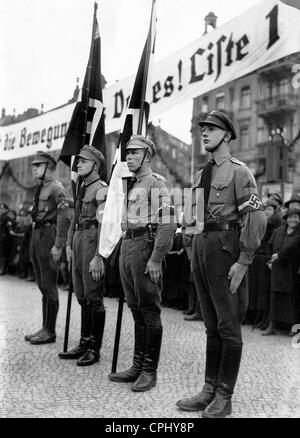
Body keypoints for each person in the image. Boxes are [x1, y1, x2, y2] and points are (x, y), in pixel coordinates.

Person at [176, 111, 267, 418]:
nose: (204, 133)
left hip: (225, 249)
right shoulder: (202, 174)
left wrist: (244, 260)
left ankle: (224, 396)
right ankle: (208, 389)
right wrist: (192, 253)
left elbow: (255, 217)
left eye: (211, 129)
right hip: (202, 249)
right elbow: (192, 218)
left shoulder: (240, 172)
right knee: (212, 325)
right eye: (202, 129)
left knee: (228, 326)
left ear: (227, 135)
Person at [108, 135, 176, 392]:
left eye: (135, 152)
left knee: (149, 309)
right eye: (128, 153)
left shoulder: (156, 183)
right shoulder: (133, 183)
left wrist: (157, 258)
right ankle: (137, 366)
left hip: (145, 248)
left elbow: (168, 222)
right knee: (136, 308)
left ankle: (149, 370)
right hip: (129, 245)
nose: (129, 156)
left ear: (147, 156)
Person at [58, 146, 107, 366]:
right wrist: (68, 244)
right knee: (81, 294)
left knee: (93, 295)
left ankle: (94, 349)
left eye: (83, 161)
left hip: (91, 241)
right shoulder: (81, 187)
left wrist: (99, 256)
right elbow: (74, 218)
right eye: (78, 161)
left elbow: (105, 226)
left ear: (95, 165)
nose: (78, 164)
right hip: (78, 239)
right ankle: (84, 342)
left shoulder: (101, 189)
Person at [25, 151, 70, 345]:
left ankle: (50, 331)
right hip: (37, 235)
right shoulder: (41, 188)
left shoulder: (56, 189)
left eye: (38, 165)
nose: (34, 168)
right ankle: (45, 327)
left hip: (48, 236)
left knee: (49, 285)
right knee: (42, 284)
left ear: (48, 167)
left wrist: (58, 244)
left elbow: (64, 216)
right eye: (34, 165)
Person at [262, 208, 300, 336]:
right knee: (274, 297)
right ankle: (271, 326)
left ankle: (293, 328)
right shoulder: (277, 231)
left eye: (296, 217)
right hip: (277, 269)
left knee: (291, 299)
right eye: (290, 217)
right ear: (286, 218)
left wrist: (277, 256)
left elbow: (292, 246)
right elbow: (268, 246)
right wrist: (269, 260)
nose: (293, 220)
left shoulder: (299, 233)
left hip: (292, 270)